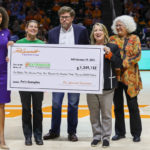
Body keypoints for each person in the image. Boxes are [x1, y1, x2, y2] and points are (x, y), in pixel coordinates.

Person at [43, 6, 89, 142]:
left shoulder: (82, 31)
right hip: (58, 74)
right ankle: (54, 131)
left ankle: (72, 132)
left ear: (72, 18)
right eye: (62, 17)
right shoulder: (52, 32)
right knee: (56, 104)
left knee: (73, 104)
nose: (64, 19)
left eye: (66, 17)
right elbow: (48, 55)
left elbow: (87, 50)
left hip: (75, 74)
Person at [9, 20, 45, 146]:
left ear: (37, 30)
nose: (33, 29)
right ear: (26, 29)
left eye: (36, 27)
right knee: (25, 109)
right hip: (23, 82)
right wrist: (10, 57)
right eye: (31, 26)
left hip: (38, 82)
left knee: (38, 109)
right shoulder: (18, 43)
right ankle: (28, 136)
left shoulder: (42, 44)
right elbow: (13, 61)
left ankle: (38, 135)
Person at [87, 23, 122, 148]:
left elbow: (119, 63)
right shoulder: (88, 48)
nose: (97, 32)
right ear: (93, 34)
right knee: (94, 114)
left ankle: (106, 137)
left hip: (107, 86)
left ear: (105, 32)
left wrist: (110, 54)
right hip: (91, 86)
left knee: (106, 114)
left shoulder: (113, 47)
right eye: (95, 30)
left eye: (100, 30)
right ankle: (96, 136)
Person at [110, 15, 142, 142]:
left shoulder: (135, 38)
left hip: (131, 78)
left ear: (127, 26)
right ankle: (120, 132)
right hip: (116, 77)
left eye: (120, 25)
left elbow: (137, 55)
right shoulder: (112, 39)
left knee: (133, 106)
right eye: (116, 25)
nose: (118, 27)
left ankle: (136, 133)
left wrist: (123, 63)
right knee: (117, 107)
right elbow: (110, 54)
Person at [0, 7, 11, 150]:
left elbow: (10, 53)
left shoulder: (6, 33)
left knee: (1, 106)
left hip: (2, 73)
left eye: (0, 17)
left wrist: (11, 50)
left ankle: (1, 138)